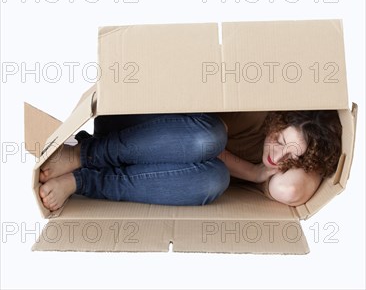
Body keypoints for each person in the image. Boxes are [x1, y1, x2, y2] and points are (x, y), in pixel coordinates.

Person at [38, 109, 342, 212]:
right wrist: (251, 171)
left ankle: (83, 180)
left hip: (156, 171)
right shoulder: (257, 114)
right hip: (137, 130)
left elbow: (290, 191)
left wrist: (309, 157)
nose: (277, 156)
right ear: (280, 118)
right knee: (211, 137)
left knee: (214, 179)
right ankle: (82, 153)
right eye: (279, 139)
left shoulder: (286, 169)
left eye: (292, 156)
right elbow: (202, 144)